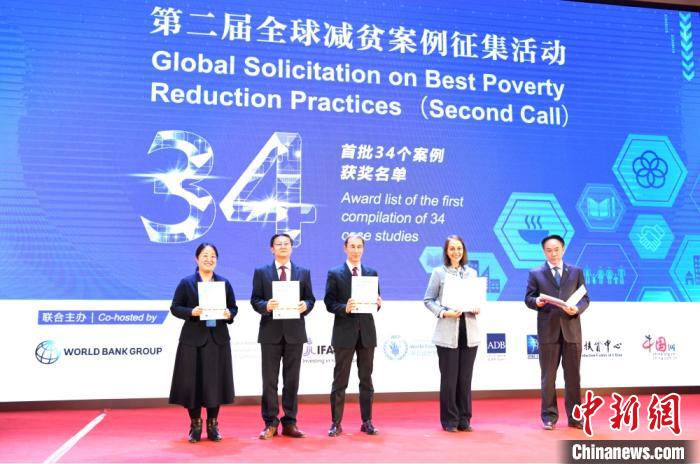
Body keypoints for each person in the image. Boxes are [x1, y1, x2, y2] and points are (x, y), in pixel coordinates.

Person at [169, 243, 237, 443]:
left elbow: (233, 308)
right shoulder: (187, 283)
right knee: (193, 383)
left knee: (215, 383)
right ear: (196, 259)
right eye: (205, 255)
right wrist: (191, 312)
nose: (209, 259)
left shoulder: (224, 283)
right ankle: (195, 424)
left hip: (217, 339)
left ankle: (213, 424)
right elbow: (175, 307)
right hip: (192, 340)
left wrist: (229, 313)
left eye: (213, 256)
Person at [251, 233, 315, 439]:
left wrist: (305, 305)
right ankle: (270, 422)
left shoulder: (303, 272)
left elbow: (311, 299)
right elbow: (255, 300)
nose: (283, 246)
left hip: (295, 333)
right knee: (269, 381)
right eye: (278, 244)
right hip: (270, 332)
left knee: (292, 381)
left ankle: (290, 422)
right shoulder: (261, 272)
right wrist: (266, 305)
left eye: (286, 243)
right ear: (272, 249)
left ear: (292, 248)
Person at [524, 234, 590, 430]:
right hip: (548, 332)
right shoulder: (536, 273)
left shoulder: (576, 272)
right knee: (548, 377)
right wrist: (536, 301)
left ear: (563, 249)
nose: (553, 254)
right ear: (543, 252)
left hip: (571, 331)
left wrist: (577, 309)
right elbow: (528, 298)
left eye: (556, 250)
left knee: (573, 377)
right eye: (549, 251)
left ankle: (575, 417)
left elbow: (585, 299)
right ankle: (549, 417)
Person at [324, 234, 382, 437]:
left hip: (366, 333)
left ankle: (367, 421)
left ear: (363, 249)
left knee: (366, 379)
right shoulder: (335, 273)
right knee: (340, 380)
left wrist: (378, 303)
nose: (356, 250)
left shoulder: (371, 273)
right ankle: (336, 423)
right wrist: (344, 308)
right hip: (344, 333)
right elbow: (329, 303)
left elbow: (375, 301)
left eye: (359, 247)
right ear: (345, 248)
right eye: (352, 246)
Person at [423, 235, 480, 432]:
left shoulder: (472, 273)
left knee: (465, 379)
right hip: (447, 333)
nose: (456, 252)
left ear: (464, 251)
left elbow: (477, 299)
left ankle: (464, 419)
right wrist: (443, 312)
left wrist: (476, 306)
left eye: (459, 248)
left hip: (469, 332)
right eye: (452, 249)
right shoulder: (439, 273)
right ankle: (450, 420)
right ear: (446, 252)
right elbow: (428, 300)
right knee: (449, 379)